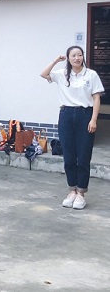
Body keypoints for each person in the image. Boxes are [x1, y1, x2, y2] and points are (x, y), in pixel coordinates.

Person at [41, 46, 104, 210]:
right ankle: (72, 191)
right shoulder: (62, 74)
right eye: (73, 55)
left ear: (83, 57)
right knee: (68, 156)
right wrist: (56, 61)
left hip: (85, 115)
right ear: (68, 58)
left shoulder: (91, 75)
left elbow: (96, 98)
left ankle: (81, 193)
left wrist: (93, 119)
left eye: (80, 55)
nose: (77, 58)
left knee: (83, 156)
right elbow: (44, 74)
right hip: (66, 115)